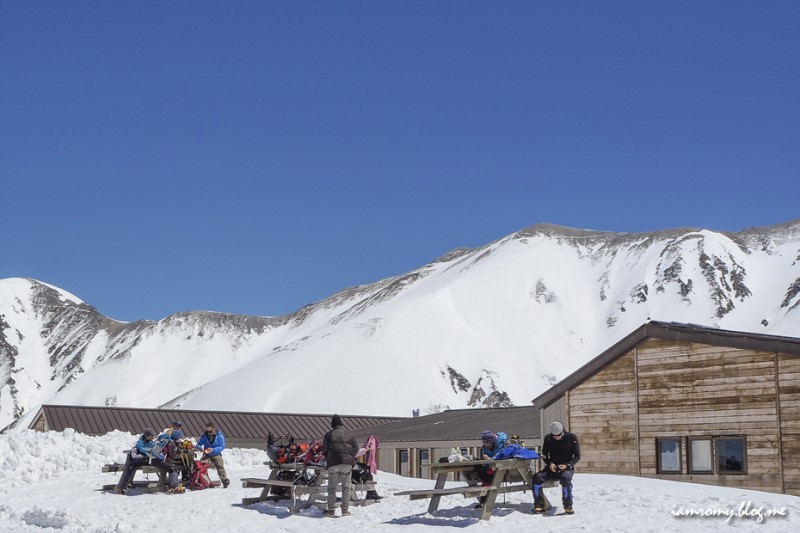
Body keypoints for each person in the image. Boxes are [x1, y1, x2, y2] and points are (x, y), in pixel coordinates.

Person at [531, 421, 581, 515]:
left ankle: (568, 505)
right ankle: (539, 505)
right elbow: (544, 455)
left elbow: (577, 456)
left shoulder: (572, 438)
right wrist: (550, 463)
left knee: (566, 478)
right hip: (552, 468)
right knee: (537, 477)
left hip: (566, 468)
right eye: (554, 436)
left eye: (559, 435)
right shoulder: (548, 438)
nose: (557, 437)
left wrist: (567, 465)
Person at [115, 428, 183, 494]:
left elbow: (153, 451)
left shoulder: (151, 442)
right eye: (152, 435)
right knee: (127, 471)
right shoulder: (140, 443)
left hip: (145, 459)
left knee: (167, 467)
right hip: (134, 459)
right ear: (147, 436)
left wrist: (159, 455)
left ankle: (172, 485)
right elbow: (145, 451)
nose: (153, 437)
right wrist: (154, 453)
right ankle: (120, 488)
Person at [321, 414, 359, 517]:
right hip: (347, 464)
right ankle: (345, 510)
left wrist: (328, 456)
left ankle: (331, 510)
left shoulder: (329, 435)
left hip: (334, 463)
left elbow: (324, 450)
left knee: (332, 488)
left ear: (332, 424)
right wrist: (350, 457)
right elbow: (356, 449)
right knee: (346, 487)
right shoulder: (349, 435)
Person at [196, 421, 231, 488]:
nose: (208, 433)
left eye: (210, 431)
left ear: (214, 429)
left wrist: (213, 450)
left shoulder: (220, 436)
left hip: (216, 454)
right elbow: (198, 444)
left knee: (220, 465)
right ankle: (204, 481)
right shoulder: (204, 436)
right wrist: (200, 448)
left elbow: (222, 446)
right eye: (207, 431)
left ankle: (224, 480)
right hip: (206, 454)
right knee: (200, 466)